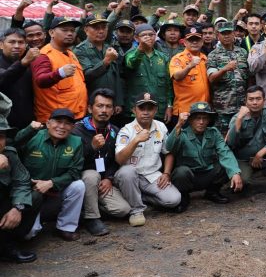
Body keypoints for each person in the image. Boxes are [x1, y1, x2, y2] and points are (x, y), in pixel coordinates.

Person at [14, 109, 85, 241]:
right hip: (32, 190)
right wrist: (29, 129)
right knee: (29, 233)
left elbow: (75, 172)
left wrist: (51, 182)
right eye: (58, 122)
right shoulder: (33, 136)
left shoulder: (76, 142)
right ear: (47, 123)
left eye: (67, 123)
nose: (62, 127)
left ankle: (65, 227)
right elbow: (13, 144)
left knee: (78, 185)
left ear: (73, 127)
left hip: (56, 188)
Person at [114, 93, 181, 226]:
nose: (146, 112)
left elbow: (168, 152)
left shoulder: (160, 127)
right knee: (127, 172)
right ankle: (136, 210)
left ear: (155, 110)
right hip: (131, 177)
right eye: (141, 108)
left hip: (152, 176)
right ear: (134, 110)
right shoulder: (126, 130)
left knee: (174, 200)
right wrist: (136, 140)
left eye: (150, 108)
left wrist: (166, 173)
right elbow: (119, 160)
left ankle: (140, 198)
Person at [72, 89, 130, 236]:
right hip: (82, 181)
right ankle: (92, 218)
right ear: (90, 108)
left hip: (103, 182)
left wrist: (109, 178)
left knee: (123, 210)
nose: (104, 110)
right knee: (91, 175)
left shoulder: (115, 131)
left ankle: (86, 208)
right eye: (100, 106)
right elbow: (72, 161)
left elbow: (117, 160)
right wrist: (91, 148)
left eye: (108, 106)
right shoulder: (76, 130)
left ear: (113, 110)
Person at [166, 102, 243, 212]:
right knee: (181, 172)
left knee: (226, 166)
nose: (201, 122)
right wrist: (178, 125)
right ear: (191, 120)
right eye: (197, 118)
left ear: (209, 120)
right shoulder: (181, 133)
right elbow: (169, 147)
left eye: (204, 118)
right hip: (189, 177)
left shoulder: (213, 133)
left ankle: (212, 192)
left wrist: (235, 172)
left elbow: (225, 152)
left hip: (207, 173)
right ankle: (183, 196)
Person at [226, 86, 266, 195]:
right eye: (251, 99)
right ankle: (245, 177)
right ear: (245, 101)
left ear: (264, 100)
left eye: (258, 99)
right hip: (244, 159)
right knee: (241, 184)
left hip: (264, 155)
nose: (255, 102)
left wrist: (260, 154)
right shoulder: (237, 118)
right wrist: (239, 120)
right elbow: (231, 144)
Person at [0, 94, 39, 263]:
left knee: (35, 195)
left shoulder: (9, 153)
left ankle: (7, 245)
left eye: (1, 136)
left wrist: (18, 207)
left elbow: (22, 180)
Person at [31, 17, 87, 122]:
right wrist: (60, 73)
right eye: (65, 30)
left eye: (72, 30)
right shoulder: (43, 56)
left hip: (76, 116)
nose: (70, 33)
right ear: (51, 33)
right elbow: (40, 80)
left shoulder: (71, 53)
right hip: (56, 121)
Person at [123, 24, 174, 125]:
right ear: (136, 38)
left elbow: (169, 85)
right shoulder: (130, 54)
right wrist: (140, 49)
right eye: (144, 35)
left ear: (156, 36)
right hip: (137, 111)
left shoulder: (164, 58)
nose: (148, 37)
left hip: (159, 109)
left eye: (151, 34)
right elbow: (131, 64)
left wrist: (169, 106)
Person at [74, 15, 123, 115]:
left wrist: (118, 101)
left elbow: (116, 76)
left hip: (110, 102)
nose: (101, 31)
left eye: (104, 27)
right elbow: (86, 75)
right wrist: (105, 62)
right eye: (96, 28)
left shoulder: (108, 47)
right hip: (91, 103)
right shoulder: (80, 50)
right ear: (86, 30)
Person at [207, 22, 250, 131]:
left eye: (229, 33)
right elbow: (211, 78)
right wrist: (224, 69)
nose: (226, 36)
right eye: (223, 33)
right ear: (218, 35)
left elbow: (249, 78)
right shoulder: (213, 55)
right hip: (223, 107)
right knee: (224, 137)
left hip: (242, 105)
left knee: (242, 135)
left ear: (234, 34)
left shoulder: (243, 52)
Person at [0, 28, 37, 130]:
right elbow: (3, 79)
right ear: (1, 45)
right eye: (12, 42)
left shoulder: (30, 64)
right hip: (3, 126)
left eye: (21, 42)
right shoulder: (25, 62)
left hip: (28, 124)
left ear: (26, 46)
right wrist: (23, 63)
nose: (16, 46)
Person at [169, 26, 210, 116]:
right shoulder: (178, 59)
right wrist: (189, 66)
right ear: (184, 42)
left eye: (197, 39)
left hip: (204, 109)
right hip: (185, 111)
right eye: (191, 40)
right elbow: (176, 76)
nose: (194, 42)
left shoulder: (205, 58)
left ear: (202, 42)